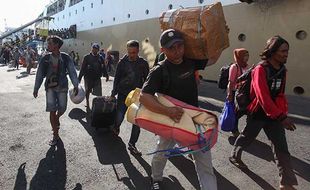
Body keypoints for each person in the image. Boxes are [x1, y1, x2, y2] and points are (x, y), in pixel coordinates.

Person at [139, 29, 218, 190]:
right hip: (171, 120)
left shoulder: (191, 61)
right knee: (162, 152)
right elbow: (144, 96)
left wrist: (219, 35)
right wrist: (167, 111)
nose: (177, 51)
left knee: (205, 162)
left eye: (180, 46)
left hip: (194, 120)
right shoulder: (159, 70)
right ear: (163, 50)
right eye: (171, 48)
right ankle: (156, 178)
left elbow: (213, 59)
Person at [229, 36, 298, 190]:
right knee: (246, 138)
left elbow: (280, 94)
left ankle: (286, 183)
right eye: (283, 51)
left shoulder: (282, 70)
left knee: (281, 148)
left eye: (287, 51)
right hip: (258, 113)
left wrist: (282, 113)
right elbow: (262, 96)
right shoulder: (260, 69)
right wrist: (281, 117)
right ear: (273, 51)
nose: (286, 54)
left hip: (275, 116)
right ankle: (234, 155)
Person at [33, 35, 79, 146]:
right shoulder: (45, 58)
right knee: (52, 110)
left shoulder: (66, 57)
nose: (48, 45)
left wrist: (76, 85)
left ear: (56, 45)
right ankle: (55, 134)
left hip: (62, 87)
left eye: (50, 43)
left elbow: (72, 71)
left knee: (62, 108)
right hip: (50, 89)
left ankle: (57, 118)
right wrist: (36, 88)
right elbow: (39, 74)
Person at [110, 40, 149, 156]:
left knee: (136, 121)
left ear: (138, 51)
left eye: (134, 52)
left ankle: (132, 144)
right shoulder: (122, 62)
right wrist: (113, 93)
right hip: (123, 94)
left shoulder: (143, 63)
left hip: (137, 97)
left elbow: (147, 80)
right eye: (130, 52)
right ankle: (116, 127)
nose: (132, 55)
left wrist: (148, 94)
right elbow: (117, 78)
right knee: (119, 116)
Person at [226, 48, 250, 136]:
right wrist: (229, 94)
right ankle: (234, 129)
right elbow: (230, 82)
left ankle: (247, 130)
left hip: (244, 93)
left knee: (248, 112)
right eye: (245, 56)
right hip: (235, 94)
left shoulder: (247, 66)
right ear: (239, 56)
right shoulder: (234, 67)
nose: (247, 58)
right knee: (236, 113)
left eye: (247, 55)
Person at [78, 43, 109, 110]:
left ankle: (98, 105)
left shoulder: (100, 57)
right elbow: (82, 68)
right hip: (88, 77)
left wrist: (106, 75)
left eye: (96, 49)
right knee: (88, 91)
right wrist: (79, 79)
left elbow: (103, 67)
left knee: (98, 93)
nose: (95, 50)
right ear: (91, 49)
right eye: (94, 48)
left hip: (97, 77)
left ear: (98, 50)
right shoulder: (87, 57)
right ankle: (87, 103)